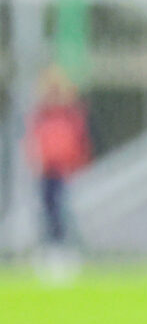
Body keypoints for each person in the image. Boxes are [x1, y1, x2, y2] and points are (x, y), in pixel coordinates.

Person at [27, 66, 91, 279]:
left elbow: (79, 141)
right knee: (49, 213)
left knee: (64, 214)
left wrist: (77, 163)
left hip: (65, 172)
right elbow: (35, 142)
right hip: (47, 171)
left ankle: (67, 252)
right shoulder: (42, 115)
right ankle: (51, 252)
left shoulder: (70, 115)